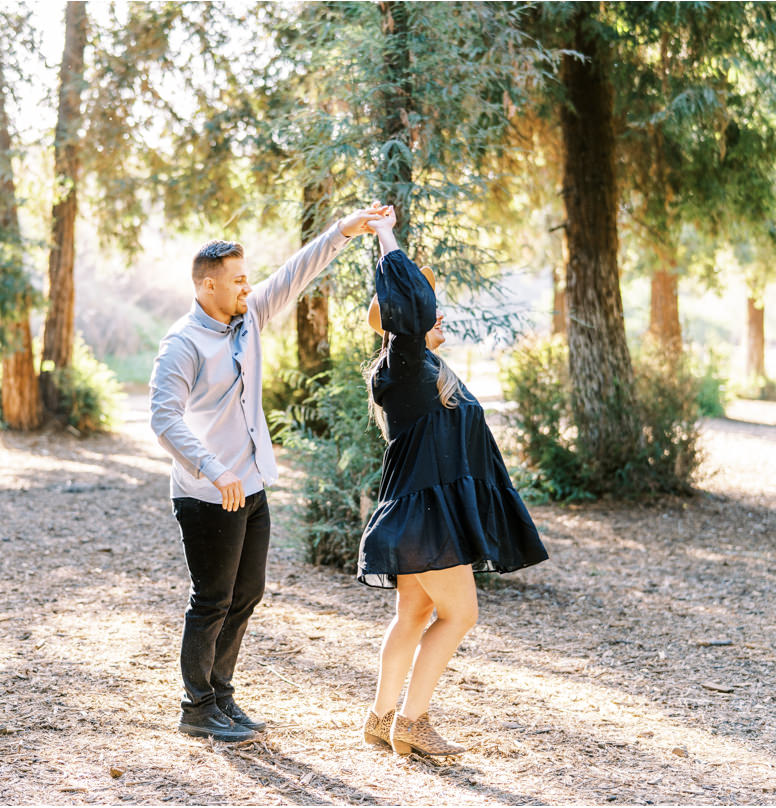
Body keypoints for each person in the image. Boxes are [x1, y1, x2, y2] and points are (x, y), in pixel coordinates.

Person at [149, 203, 388, 742]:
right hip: (207, 493)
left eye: (246, 278)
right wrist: (212, 469)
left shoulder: (249, 316)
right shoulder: (182, 343)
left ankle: (222, 694)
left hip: (251, 484)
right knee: (211, 598)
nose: (246, 287)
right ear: (207, 287)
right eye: (236, 281)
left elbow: (294, 273)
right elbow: (163, 419)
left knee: (247, 593)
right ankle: (196, 705)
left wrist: (343, 231)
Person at [357, 206, 549, 756]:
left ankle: (382, 716)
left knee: (414, 614)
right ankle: (413, 722)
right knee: (461, 614)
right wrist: (385, 234)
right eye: (428, 309)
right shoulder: (403, 367)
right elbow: (409, 296)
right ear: (406, 318)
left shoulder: (428, 373)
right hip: (426, 519)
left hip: (421, 517)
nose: (437, 314)